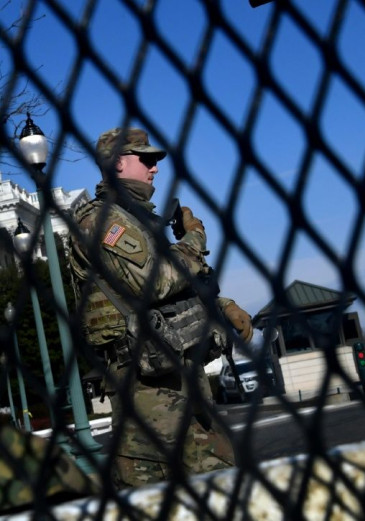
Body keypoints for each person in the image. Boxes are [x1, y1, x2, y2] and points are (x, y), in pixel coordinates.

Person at [69, 128, 253, 488]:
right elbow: (155, 283)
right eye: (147, 160)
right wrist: (195, 238)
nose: (155, 169)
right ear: (118, 163)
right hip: (148, 394)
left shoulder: (135, 219)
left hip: (175, 381)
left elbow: (173, 293)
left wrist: (221, 304)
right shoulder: (101, 221)